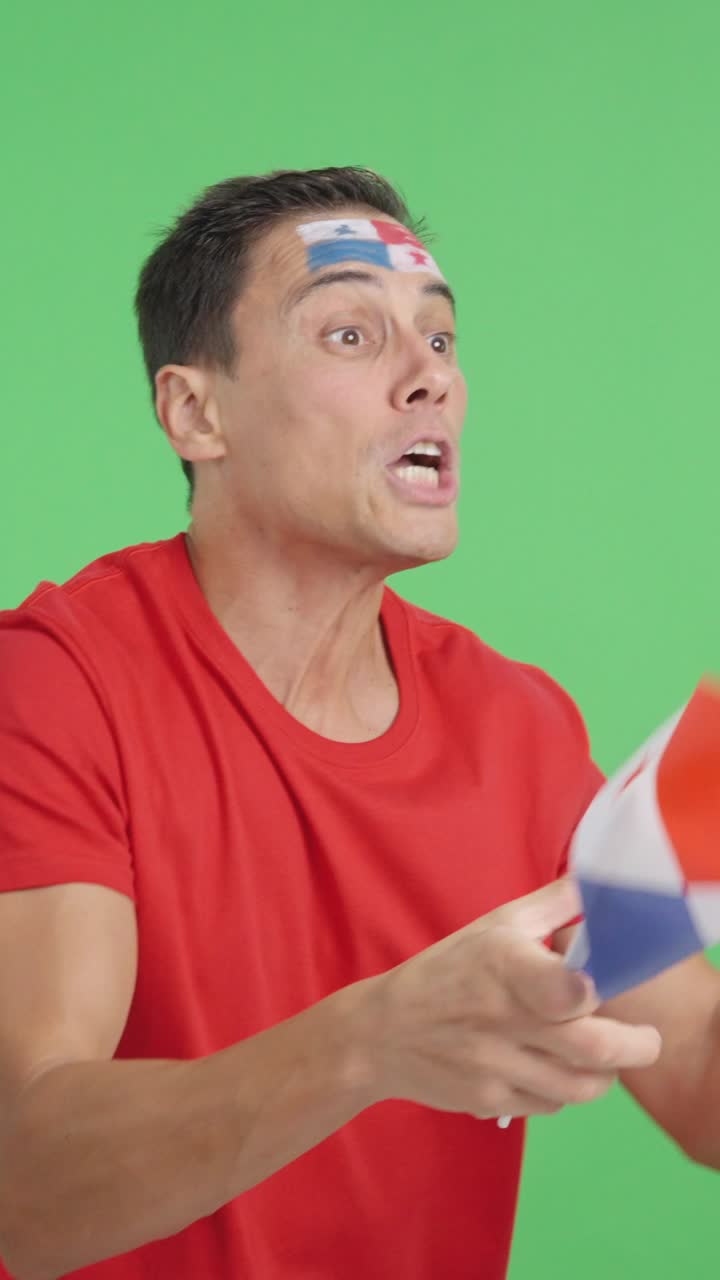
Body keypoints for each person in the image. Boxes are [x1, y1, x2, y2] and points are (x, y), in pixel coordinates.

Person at [0, 166, 716, 1280]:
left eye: (439, 338)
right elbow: (19, 1176)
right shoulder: (55, 682)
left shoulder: (516, 724)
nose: (428, 377)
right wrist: (372, 1038)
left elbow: (702, 1083)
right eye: (350, 334)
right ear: (197, 411)